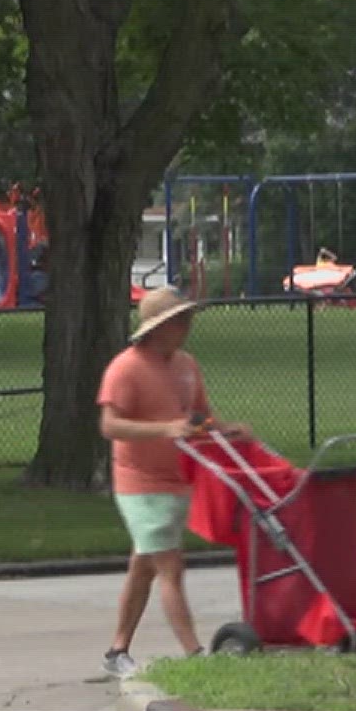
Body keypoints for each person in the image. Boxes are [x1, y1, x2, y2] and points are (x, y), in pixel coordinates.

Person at [96, 285, 248, 678]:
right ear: (157, 327)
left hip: (179, 476)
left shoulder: (186, 365)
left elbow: (198, 417)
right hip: (140, 482)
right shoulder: (126, 368)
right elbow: (110, 424)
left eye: (188, 318)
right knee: (170, 566)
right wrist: (165, 429)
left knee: (144, 564)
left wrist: (225, 431)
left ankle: (117, 651)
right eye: (180, 320)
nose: (187, 326)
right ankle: (195, 654)